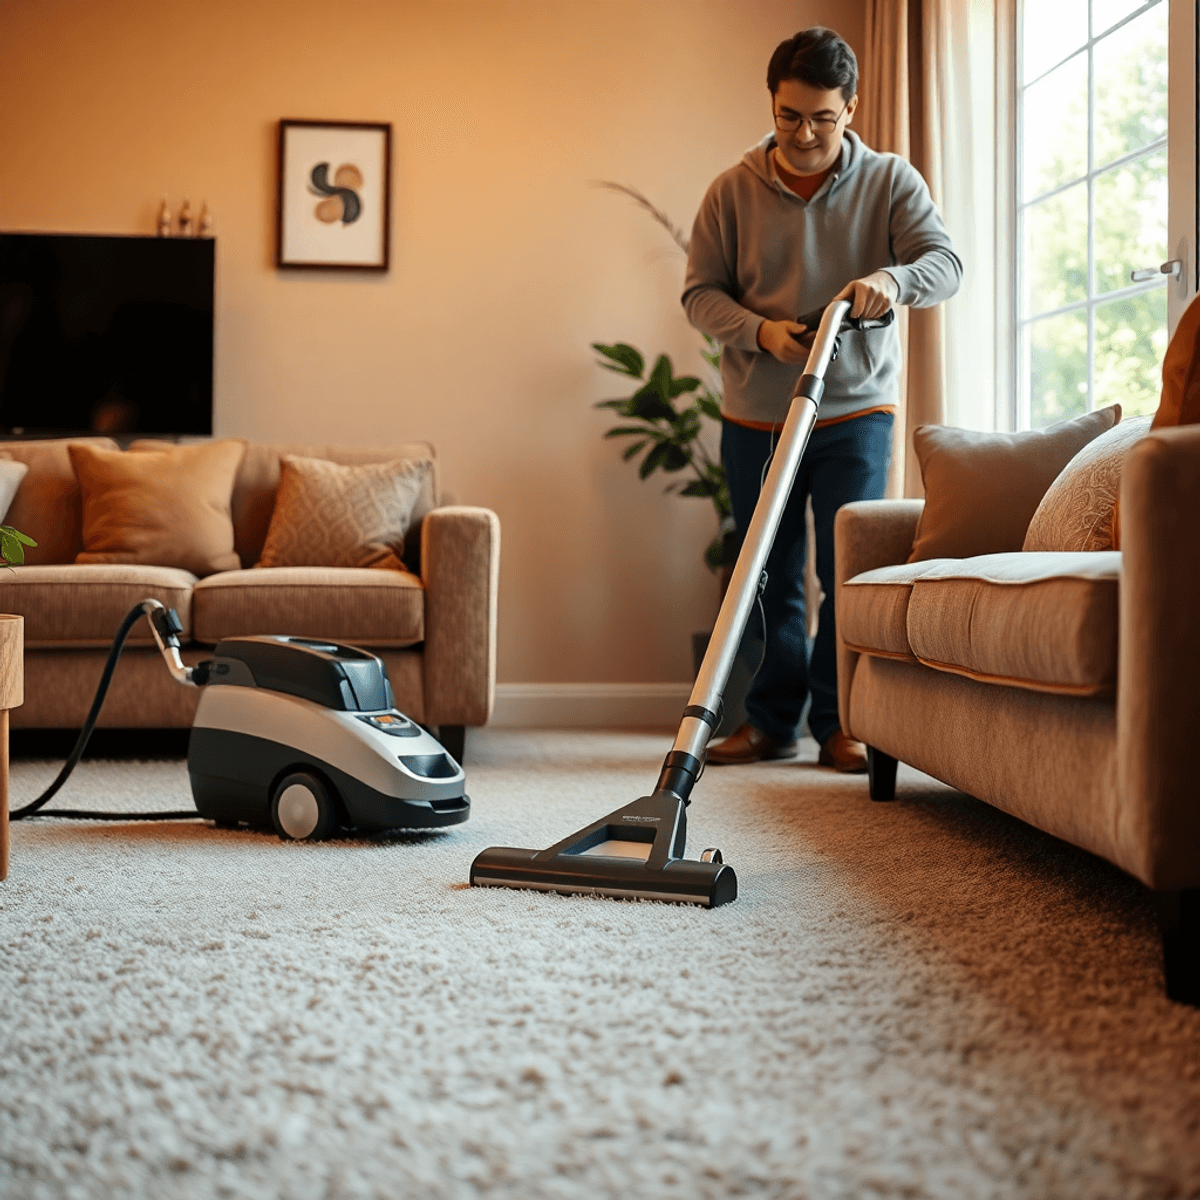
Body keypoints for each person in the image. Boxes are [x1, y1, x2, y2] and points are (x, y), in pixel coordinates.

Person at [682, 26, 962, 772]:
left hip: (856, 407)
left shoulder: (890, 181)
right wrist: (761, 332)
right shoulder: (731, 191)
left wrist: (893, 280)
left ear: (852, 109)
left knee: (849, 569)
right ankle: (771, 723)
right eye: (789, 116)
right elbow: (699, 294)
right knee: (767, 572)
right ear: (771, 105)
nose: (804, 135)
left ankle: (844, 723)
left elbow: (945, 263)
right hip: (758, 411)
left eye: (823, 119)